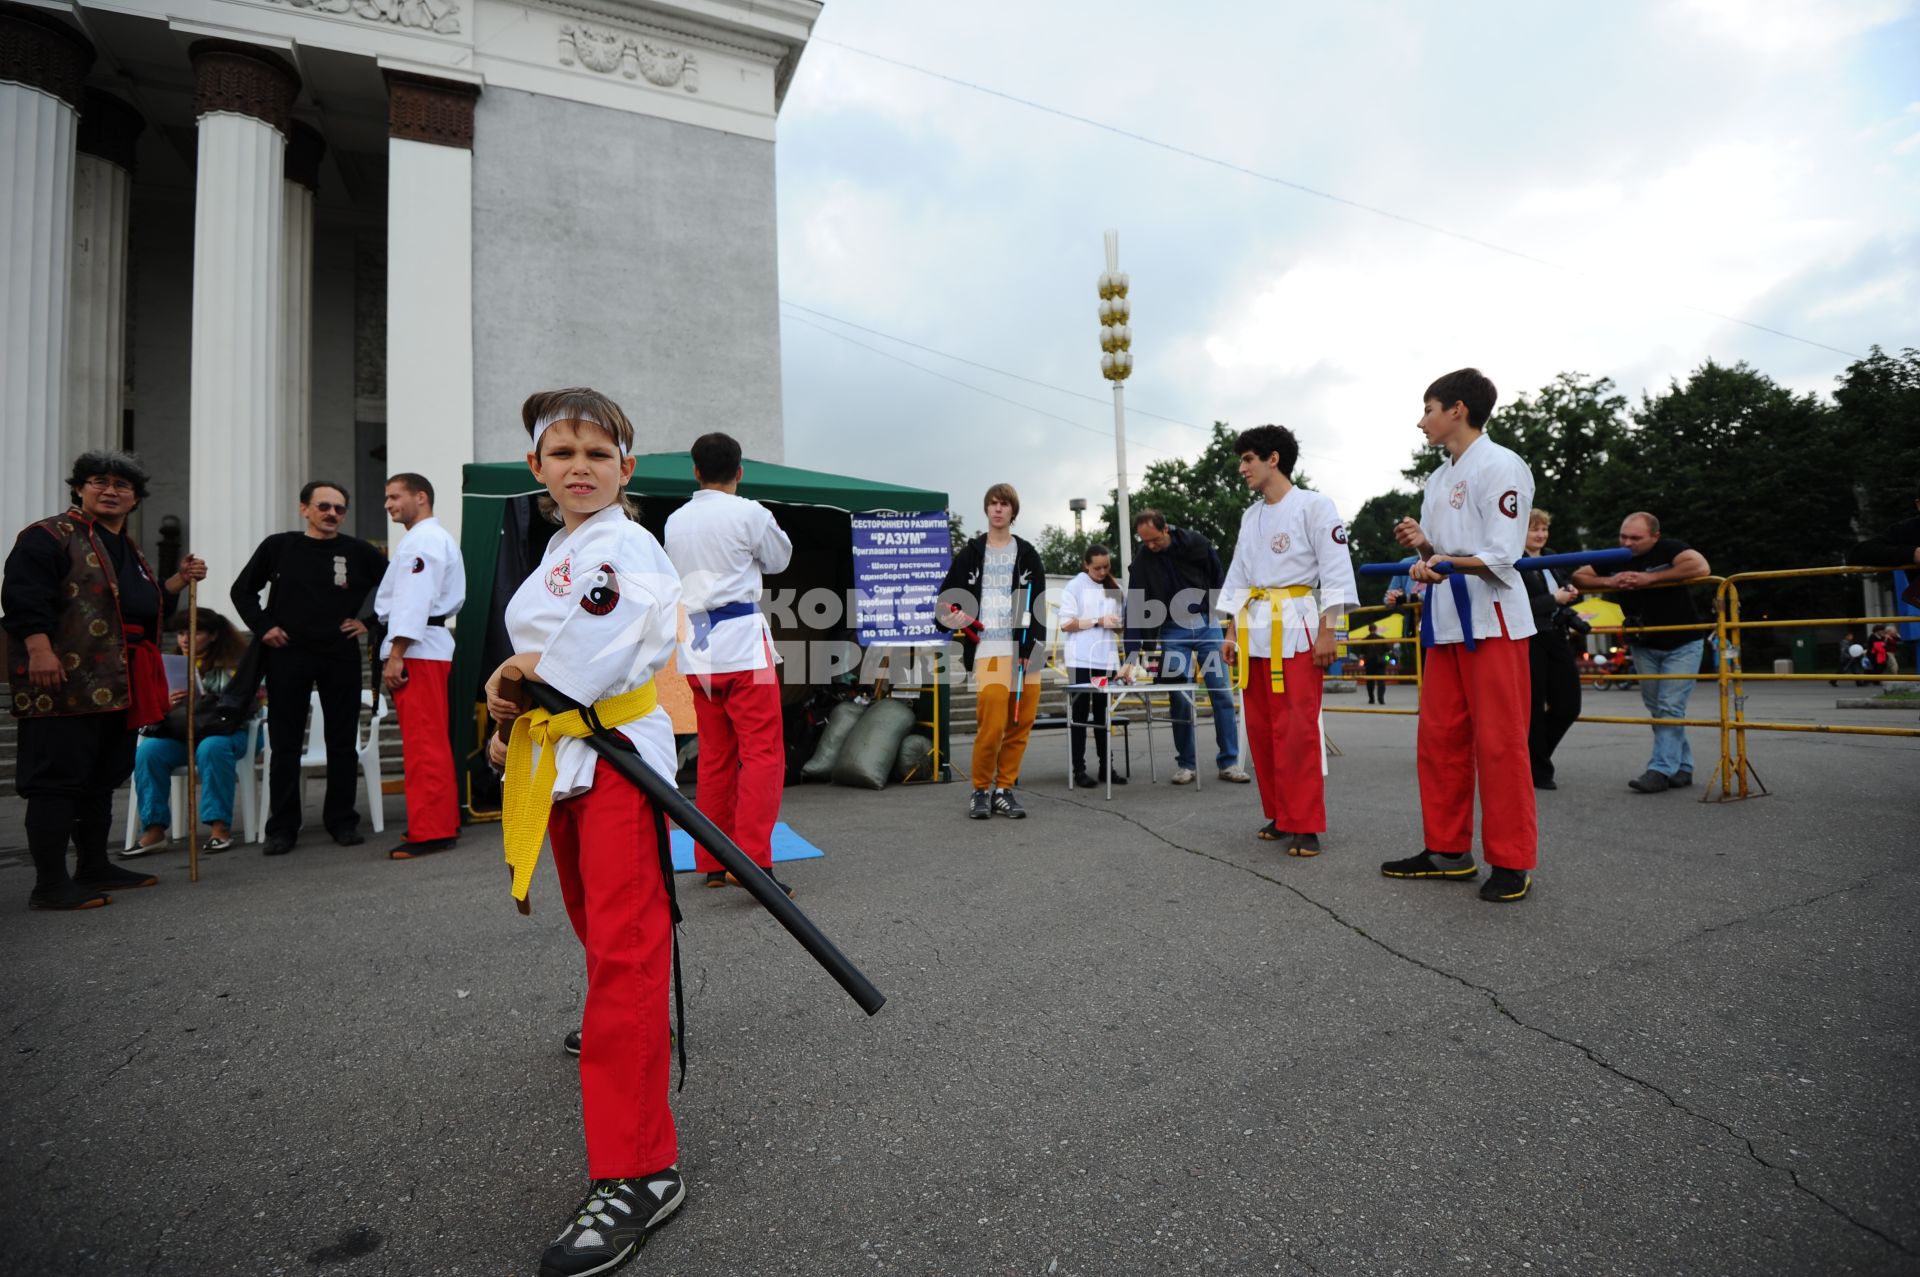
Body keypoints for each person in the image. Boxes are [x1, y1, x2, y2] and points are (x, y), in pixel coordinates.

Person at [485, 387, 688, 1275]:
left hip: (614, 761)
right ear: (537, 468)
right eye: (562, 452)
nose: (579, 467)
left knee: (627, 954)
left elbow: (591, 652)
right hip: (567, 758)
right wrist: (509, 707)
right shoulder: (564, 547)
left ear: (626, 469)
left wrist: (522, 676)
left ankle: (641, 1169)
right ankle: (628, 1031)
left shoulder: (629, 544)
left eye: (598, 454)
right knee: (606, 941)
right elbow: (536, 668)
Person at [3, 449, 206, 909]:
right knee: (58, 778)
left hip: (120, 678)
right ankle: (50, 884)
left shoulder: (127, 548)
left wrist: (175, 581)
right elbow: (22, 597)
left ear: (135, 498)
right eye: (99, 481)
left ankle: (94, 865)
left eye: (122, 486)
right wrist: (38, 649)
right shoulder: (48, 536)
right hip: (65, 677)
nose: (110, 491)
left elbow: (140, 605)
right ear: (78, 487)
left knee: (100, 777)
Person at [1380, 368, 1538, 903]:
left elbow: (1502, 555)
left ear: (1458, 410)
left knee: (1500, 745)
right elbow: (1438, 561)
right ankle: (1448, 851)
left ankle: (1512, 861)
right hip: (1444, 624)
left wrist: (1441, 560)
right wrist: (1424, 547)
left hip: (1492, 622)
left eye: (1428, 408)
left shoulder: (1502, 465)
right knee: (1440, 741)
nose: (1421, 420)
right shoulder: (1437, 478)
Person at [662, 431, 796, 895]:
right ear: (739, 472)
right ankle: (756, 862)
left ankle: (714, 862)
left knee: (715, 755)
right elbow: (780, 560)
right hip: (741, 643)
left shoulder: (674, 522)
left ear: (695, 471)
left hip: (697, 650)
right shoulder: (749, 513)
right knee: (762, 753)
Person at [1217, 424, 1357, 857]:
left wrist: (1329, 629)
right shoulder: (1250, 515)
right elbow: (1239, 572)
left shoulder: (1315, 506)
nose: (1242, 468)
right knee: (1260, 728)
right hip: (1255, 628)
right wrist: (1230, 629)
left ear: (1273, 458)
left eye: (1248, 459)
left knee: (1297, 729)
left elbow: (1335, 569)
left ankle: (1306, 824)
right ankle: (1280, 814)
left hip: (1296, 627)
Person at [231, 480, 389, 854]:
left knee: (341, 741)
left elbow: (393, 587)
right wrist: (264, 626)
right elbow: (242, 590)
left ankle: (341, 821)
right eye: (323, 506)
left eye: (338, 508)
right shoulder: (279, 546)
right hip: (288, 653)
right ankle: (282, 828)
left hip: (340, 654)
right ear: (305, 509)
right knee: (284, 744)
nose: (331, 514)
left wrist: (367, 623)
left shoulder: (358, 551)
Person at [1572, 513, 1712, 794]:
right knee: (1658, 709)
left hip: (1683, 641)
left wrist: (1650, 578)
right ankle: (1683, 767)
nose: (1627, 543)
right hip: (1643, 642)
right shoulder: (1616, 556)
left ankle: (1660, 770)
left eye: (1635, 538)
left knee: (1670, 707)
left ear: (1655, 537)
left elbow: (1700, 567)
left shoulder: (1670, 548)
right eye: (1623, 536)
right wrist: (1610, 583)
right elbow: (1578, 575)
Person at [937, 483, 1048, 819]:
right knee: (994, 722)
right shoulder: (971, 553)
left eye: (1004, 504)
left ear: (1013, 511)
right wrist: (952, 614)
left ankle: (1005, 789)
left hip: (1026, 650)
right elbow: (944, 603)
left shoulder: (1027, 554)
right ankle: (980, 789)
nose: (998, 509)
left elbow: (1039, 607)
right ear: (986, 509)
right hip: (989, 648)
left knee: (1022, 722)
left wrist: (1033, 648)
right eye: (993, 504)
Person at [1122, 509, 1250, 785]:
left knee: (1222, 693)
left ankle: (1229, 762)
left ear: (1165, 528)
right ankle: (1186, 765)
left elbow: (1221, 584)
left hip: (1208, 626)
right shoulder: (1144, 561)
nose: (1151, 546)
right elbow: (1134, 607)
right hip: (1172, 631)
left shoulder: (1197, 544)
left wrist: (1232, 628)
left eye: (1154, 540)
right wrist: (1131, 655)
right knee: (1178, 695)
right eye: (1145, 542)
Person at [375, 473, 465, 859]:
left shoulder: (424, 540)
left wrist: (397, 653)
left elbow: (414, 599)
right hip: (423, 644)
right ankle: (439, 820)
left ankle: (432, 830)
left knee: (424, 743)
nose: (388, 504)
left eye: (395, 496)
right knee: (428, 741)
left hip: (418, 648)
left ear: (421, 497)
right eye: (387, 497)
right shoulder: (427, 538)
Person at [128, 609, 258, 855]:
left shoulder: (235, 664)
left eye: (195, 632)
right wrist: (167, 701)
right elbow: (155, 706)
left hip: (228, 732)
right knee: (149, 751)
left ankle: (219, 827)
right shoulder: (171, 666)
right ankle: (154, 828)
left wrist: (206, 699)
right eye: (180, 633)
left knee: (212, 747)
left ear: (213, 636)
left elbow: (251, 701)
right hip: (183, 733)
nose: (185, 639)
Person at [1520, 508, 1583, 790]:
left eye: (1544, 529)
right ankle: (1539, 770)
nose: (1541, 535)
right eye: (1534, 529)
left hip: (1556, 635)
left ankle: (1531, 760)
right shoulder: (1512, 561)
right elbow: (1516, 607)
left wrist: (1569, 594)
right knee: (1532, 706)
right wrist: (1554, 599)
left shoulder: (1552, 557)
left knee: (1569, 705)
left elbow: (1563, 590)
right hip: (1529, 637)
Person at [1057, 542, 1128, 788]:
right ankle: (1078, 769)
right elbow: (1066, 624)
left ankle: (1106, 767)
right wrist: (1098, 620)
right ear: (1086, 565)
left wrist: (1116, 624)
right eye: (1097, 568)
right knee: (1079, 714)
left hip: (1106, 658)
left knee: (1102, 714)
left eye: (1106, 567)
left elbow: (1120, 627)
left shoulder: (1114, 587)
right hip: (1081, 659)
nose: (1101, 571)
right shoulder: (1075, 586)